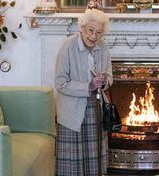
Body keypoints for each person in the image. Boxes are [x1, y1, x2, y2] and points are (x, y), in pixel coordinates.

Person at [55, 9, 112, 176]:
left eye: (99, 33)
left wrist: (103, 81)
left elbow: (110, 78)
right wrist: (88, 86)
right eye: (90, 30)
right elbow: (60, 83)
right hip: (72, 112)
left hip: (95, 109)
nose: (94, 37)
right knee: (73, 166)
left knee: (94, 161)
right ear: (82, 27)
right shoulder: (67, 47)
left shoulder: (103, 47)